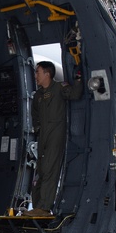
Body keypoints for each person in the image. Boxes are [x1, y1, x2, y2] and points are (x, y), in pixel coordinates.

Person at [26, 60, 83, 216]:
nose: (35, 75)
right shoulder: (38, 95)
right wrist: (38, 129)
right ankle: (37, 205)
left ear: (47, 74)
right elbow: (35, 114)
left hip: (56, 135)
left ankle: (44, 207)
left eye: (38, 72)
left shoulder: (59, 88)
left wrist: (78, 79)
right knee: (41, 170)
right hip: (43, 136)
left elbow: (75, 94)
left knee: (50, 169)